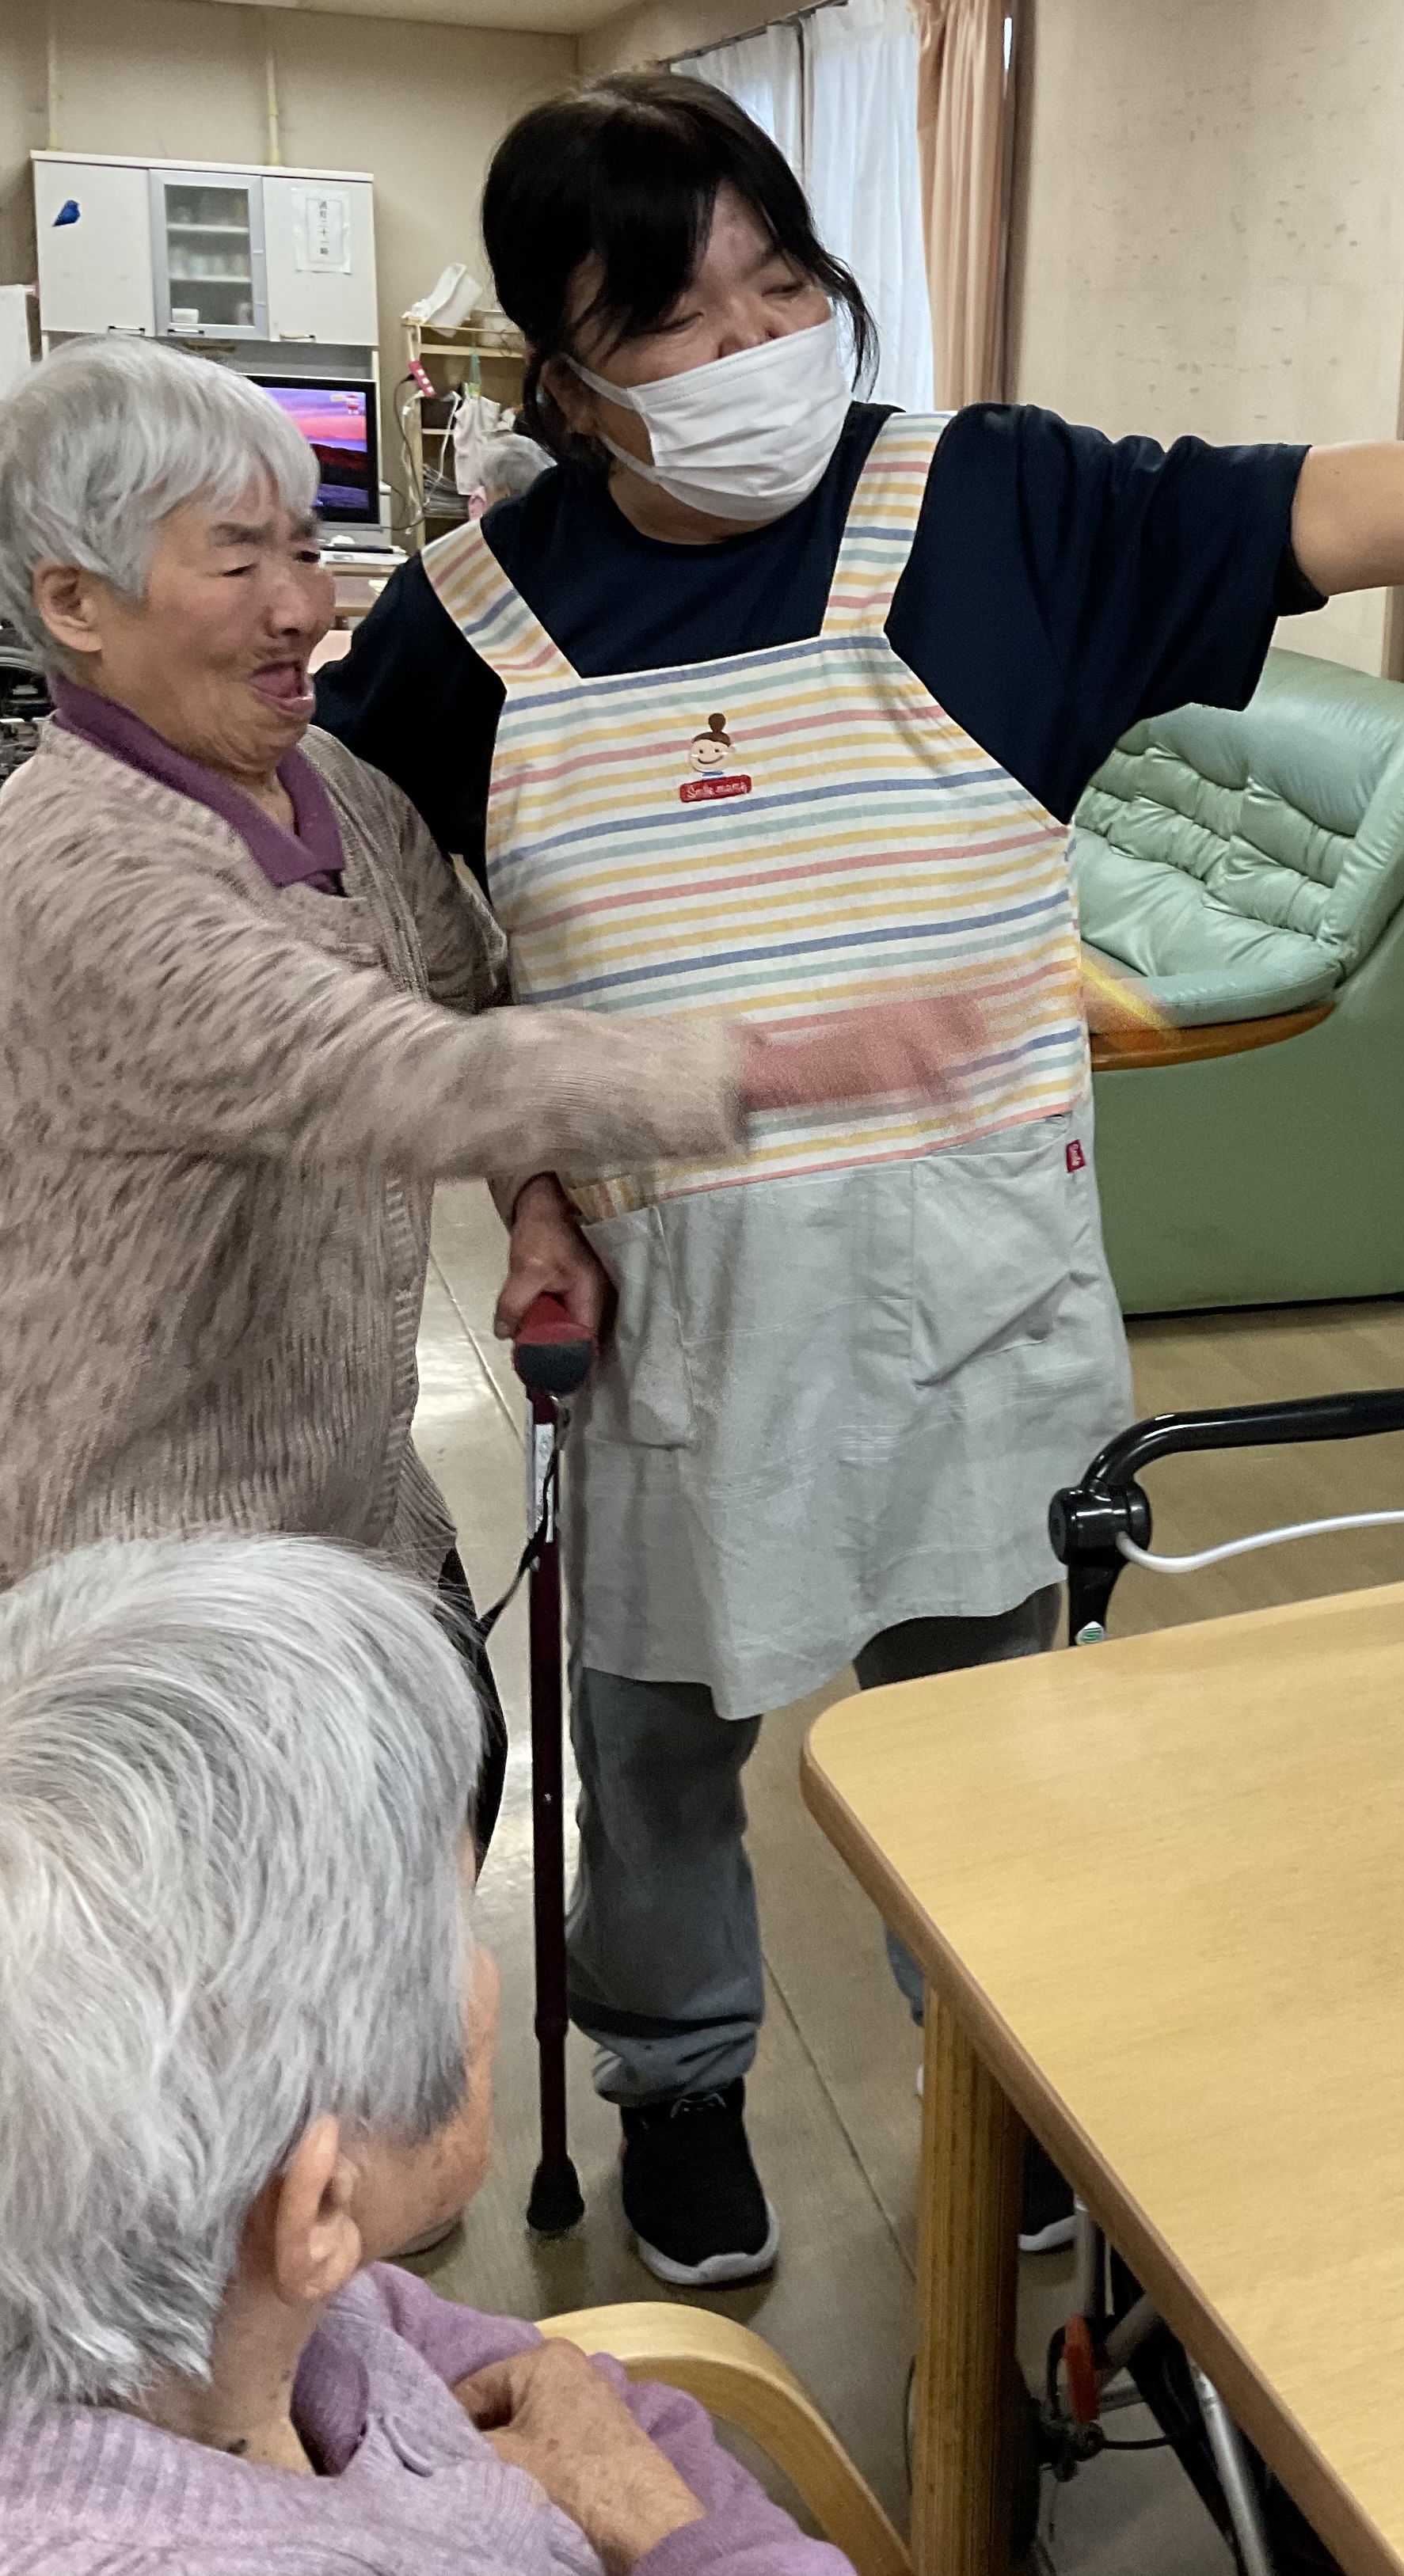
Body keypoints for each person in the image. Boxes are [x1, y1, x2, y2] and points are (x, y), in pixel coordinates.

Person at [317, 67, 1404, 2286]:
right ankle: (682, 2080)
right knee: (655, 1748)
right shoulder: (471, 617)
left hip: (971, 1284)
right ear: (562, 381)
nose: (753, 344)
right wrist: (526, 1173)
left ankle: (995, 2061)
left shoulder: (990, 505)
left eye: (782, 282)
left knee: (997, 1728)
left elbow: (1321, 506)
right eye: (672, 316)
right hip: (680, 1312)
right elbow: (378, 931)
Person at [0, 337, 983, 1856]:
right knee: (275, 1949)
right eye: (238, 559)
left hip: (357, 1499)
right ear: (76, 602)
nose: (304, 606)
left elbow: (466, 991)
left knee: (451, 1802)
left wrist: (536, 1203)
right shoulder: (77, 867)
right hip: (147, 1571)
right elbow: (393, 1071)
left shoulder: (334, 789)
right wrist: (778, 1059)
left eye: (305, 548)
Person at [0, 1529, 853, 2575]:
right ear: (320, 2204)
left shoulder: (228, 2303)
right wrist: (693, 2537)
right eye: (458, 1932)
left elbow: (409, 2343)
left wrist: (607, 2445)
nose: (485, 1975)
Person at [470, 431, 554, 519]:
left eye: (486, 488)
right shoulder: (555, 518)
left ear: (505, 496)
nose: (483, 494)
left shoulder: (492, 526)